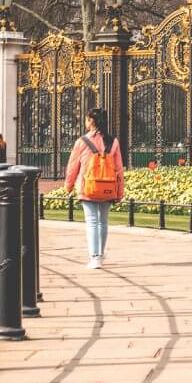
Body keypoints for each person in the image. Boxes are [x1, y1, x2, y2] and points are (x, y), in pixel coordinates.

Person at [64, 108, 124, 270]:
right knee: (103, 221)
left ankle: (94, 257)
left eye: (86, 119)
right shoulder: (113, 142)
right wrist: (120, 192)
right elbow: (119, 169)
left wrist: (68, 185)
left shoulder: (82, 142)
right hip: (108, 186)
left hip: (88, 186)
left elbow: (72, 166)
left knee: (91, 221)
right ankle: (100, 255)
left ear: (91, 121)